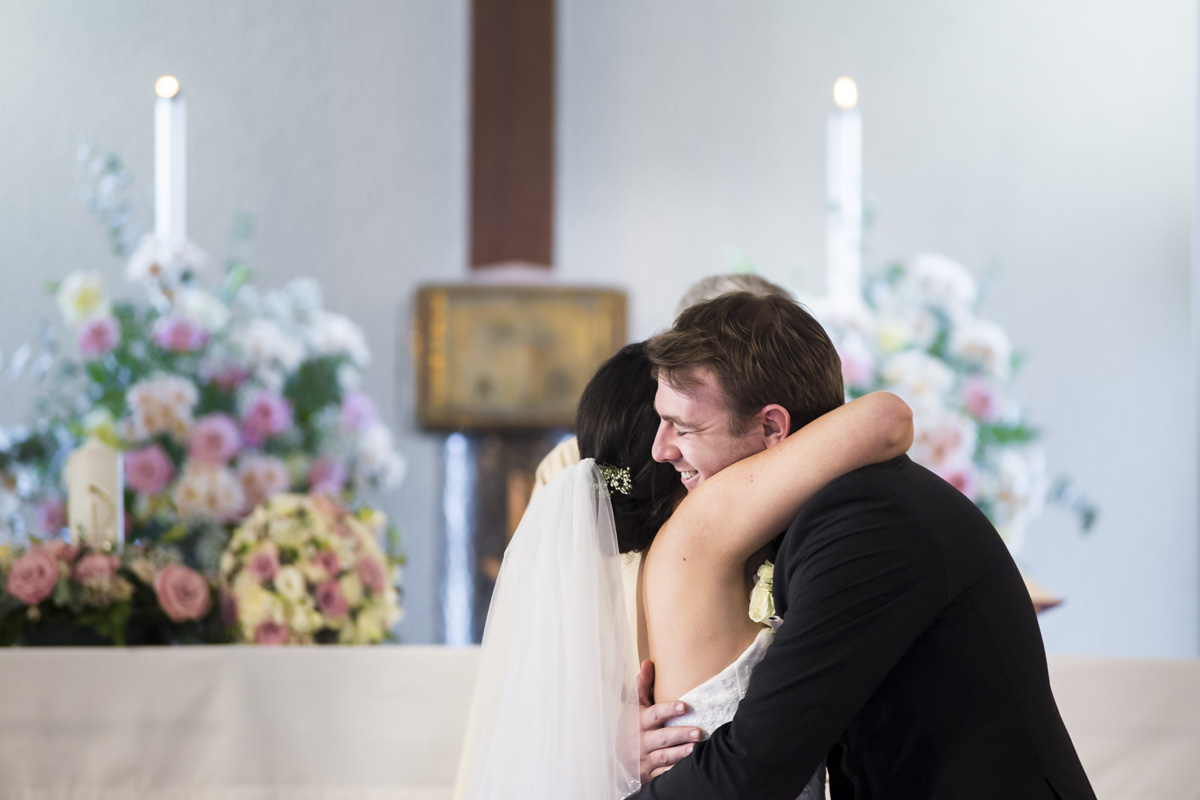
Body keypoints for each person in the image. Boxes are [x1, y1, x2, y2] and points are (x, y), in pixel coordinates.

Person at [630, 292, 1096, 799]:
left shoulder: (863, 524)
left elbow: (755, 769)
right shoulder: (831, 510)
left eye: (684, 426)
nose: (661, 449)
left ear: (771, 428)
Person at [458, 339, 913, 799]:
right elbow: (886, 417)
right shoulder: (696, 538)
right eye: (676, 421)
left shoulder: (632, 558)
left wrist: (602, 754)